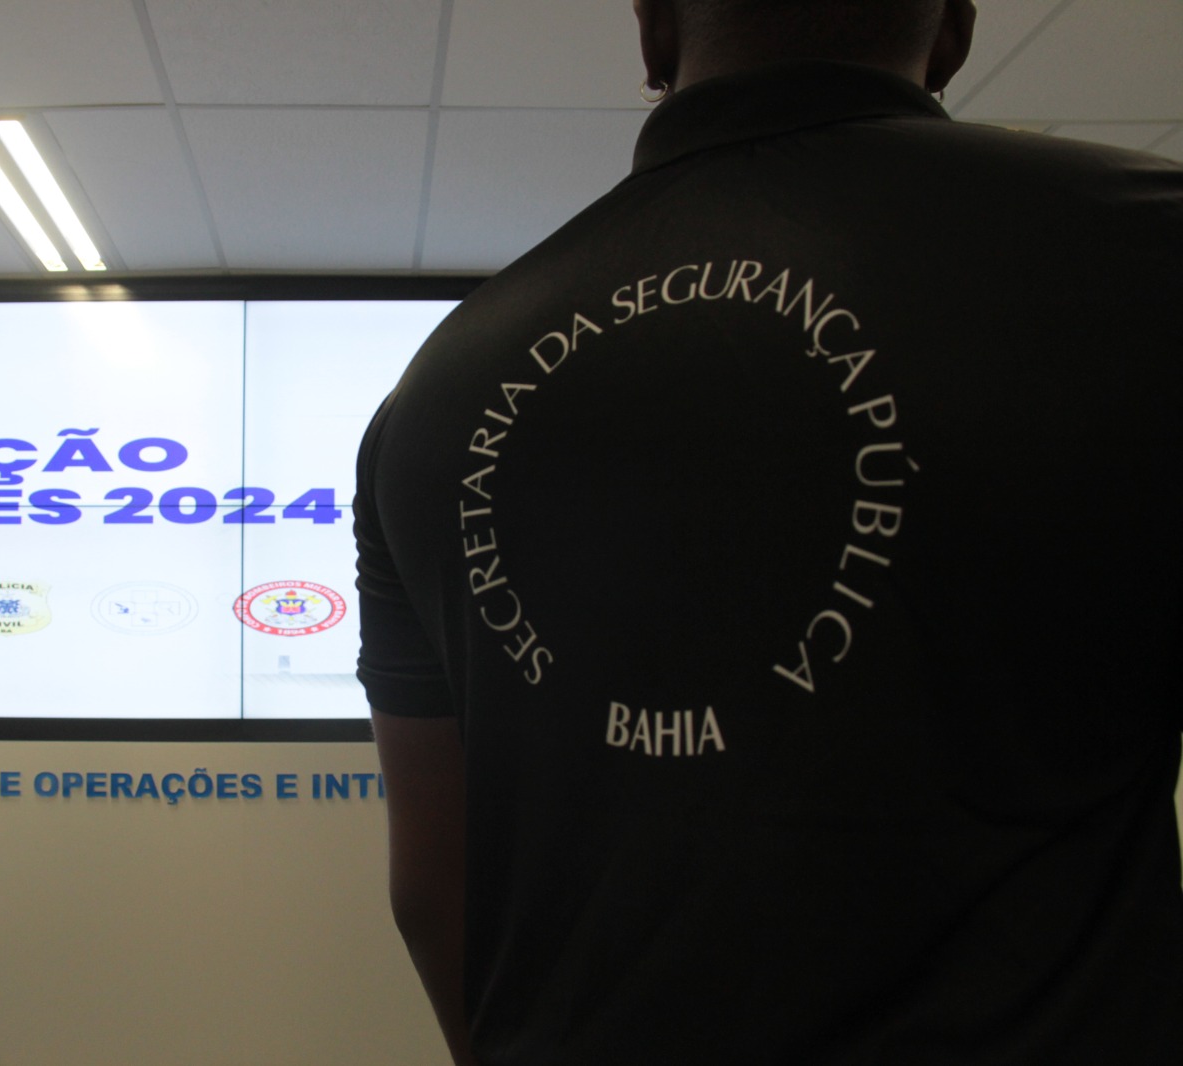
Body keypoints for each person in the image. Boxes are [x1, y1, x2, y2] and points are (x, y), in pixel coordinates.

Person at [353, 0, 1183, 1062]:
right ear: (952, 35)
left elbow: (434, 888)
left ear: (654, 32)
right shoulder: (1137, 258)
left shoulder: (430, 396)